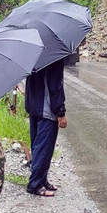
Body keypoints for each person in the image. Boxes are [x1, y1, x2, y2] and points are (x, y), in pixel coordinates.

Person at [24, 60, 66, 197]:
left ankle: (42, 180)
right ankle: (35, 185)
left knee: (37, 147)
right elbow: (55, 87)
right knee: (44, 149)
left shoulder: (32, 55)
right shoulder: (55, 58)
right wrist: (61, 112)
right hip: (47, 111)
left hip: (34, 108)